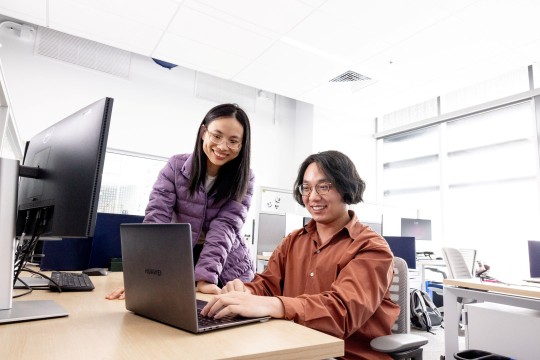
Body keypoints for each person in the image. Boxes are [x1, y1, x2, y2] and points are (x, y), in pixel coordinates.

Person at [201, 150, 399, 360]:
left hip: (344, 355)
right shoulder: (293, 241)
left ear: (346, 187)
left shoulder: (371, 248)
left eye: (324, 186)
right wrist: (245, 291)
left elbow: (342, 313)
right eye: (306, 188)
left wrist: (276, 305)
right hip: (292, 346)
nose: (313, 197)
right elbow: (267, 285)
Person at [106, 103, 255, 299]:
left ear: (242, 145)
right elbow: (156, 218)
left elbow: (225, 228)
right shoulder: (176, 167)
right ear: (203, 132)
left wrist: (206, 278)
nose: (222, 146)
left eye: (233, 141)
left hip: (228, 266)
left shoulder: (245, 179)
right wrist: (141, 276)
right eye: (216, 136)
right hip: (182, 258)